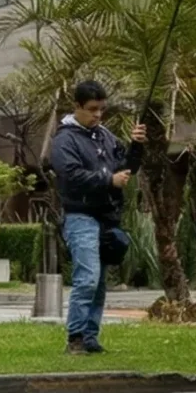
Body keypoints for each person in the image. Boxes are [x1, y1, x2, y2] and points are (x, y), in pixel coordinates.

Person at [50, 80, 145, 355]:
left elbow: (126, 168)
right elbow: (70, 176)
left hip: (106, 217)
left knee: (99, 283)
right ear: (77, 106)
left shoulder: (105, 136)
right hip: (80, 215)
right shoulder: (64, 140)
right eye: (92, 109)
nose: (98, 115)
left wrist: (136, 146)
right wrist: (108, 180)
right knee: (88, 278)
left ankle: (90, 338)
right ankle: (75, 338)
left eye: (101, 109)